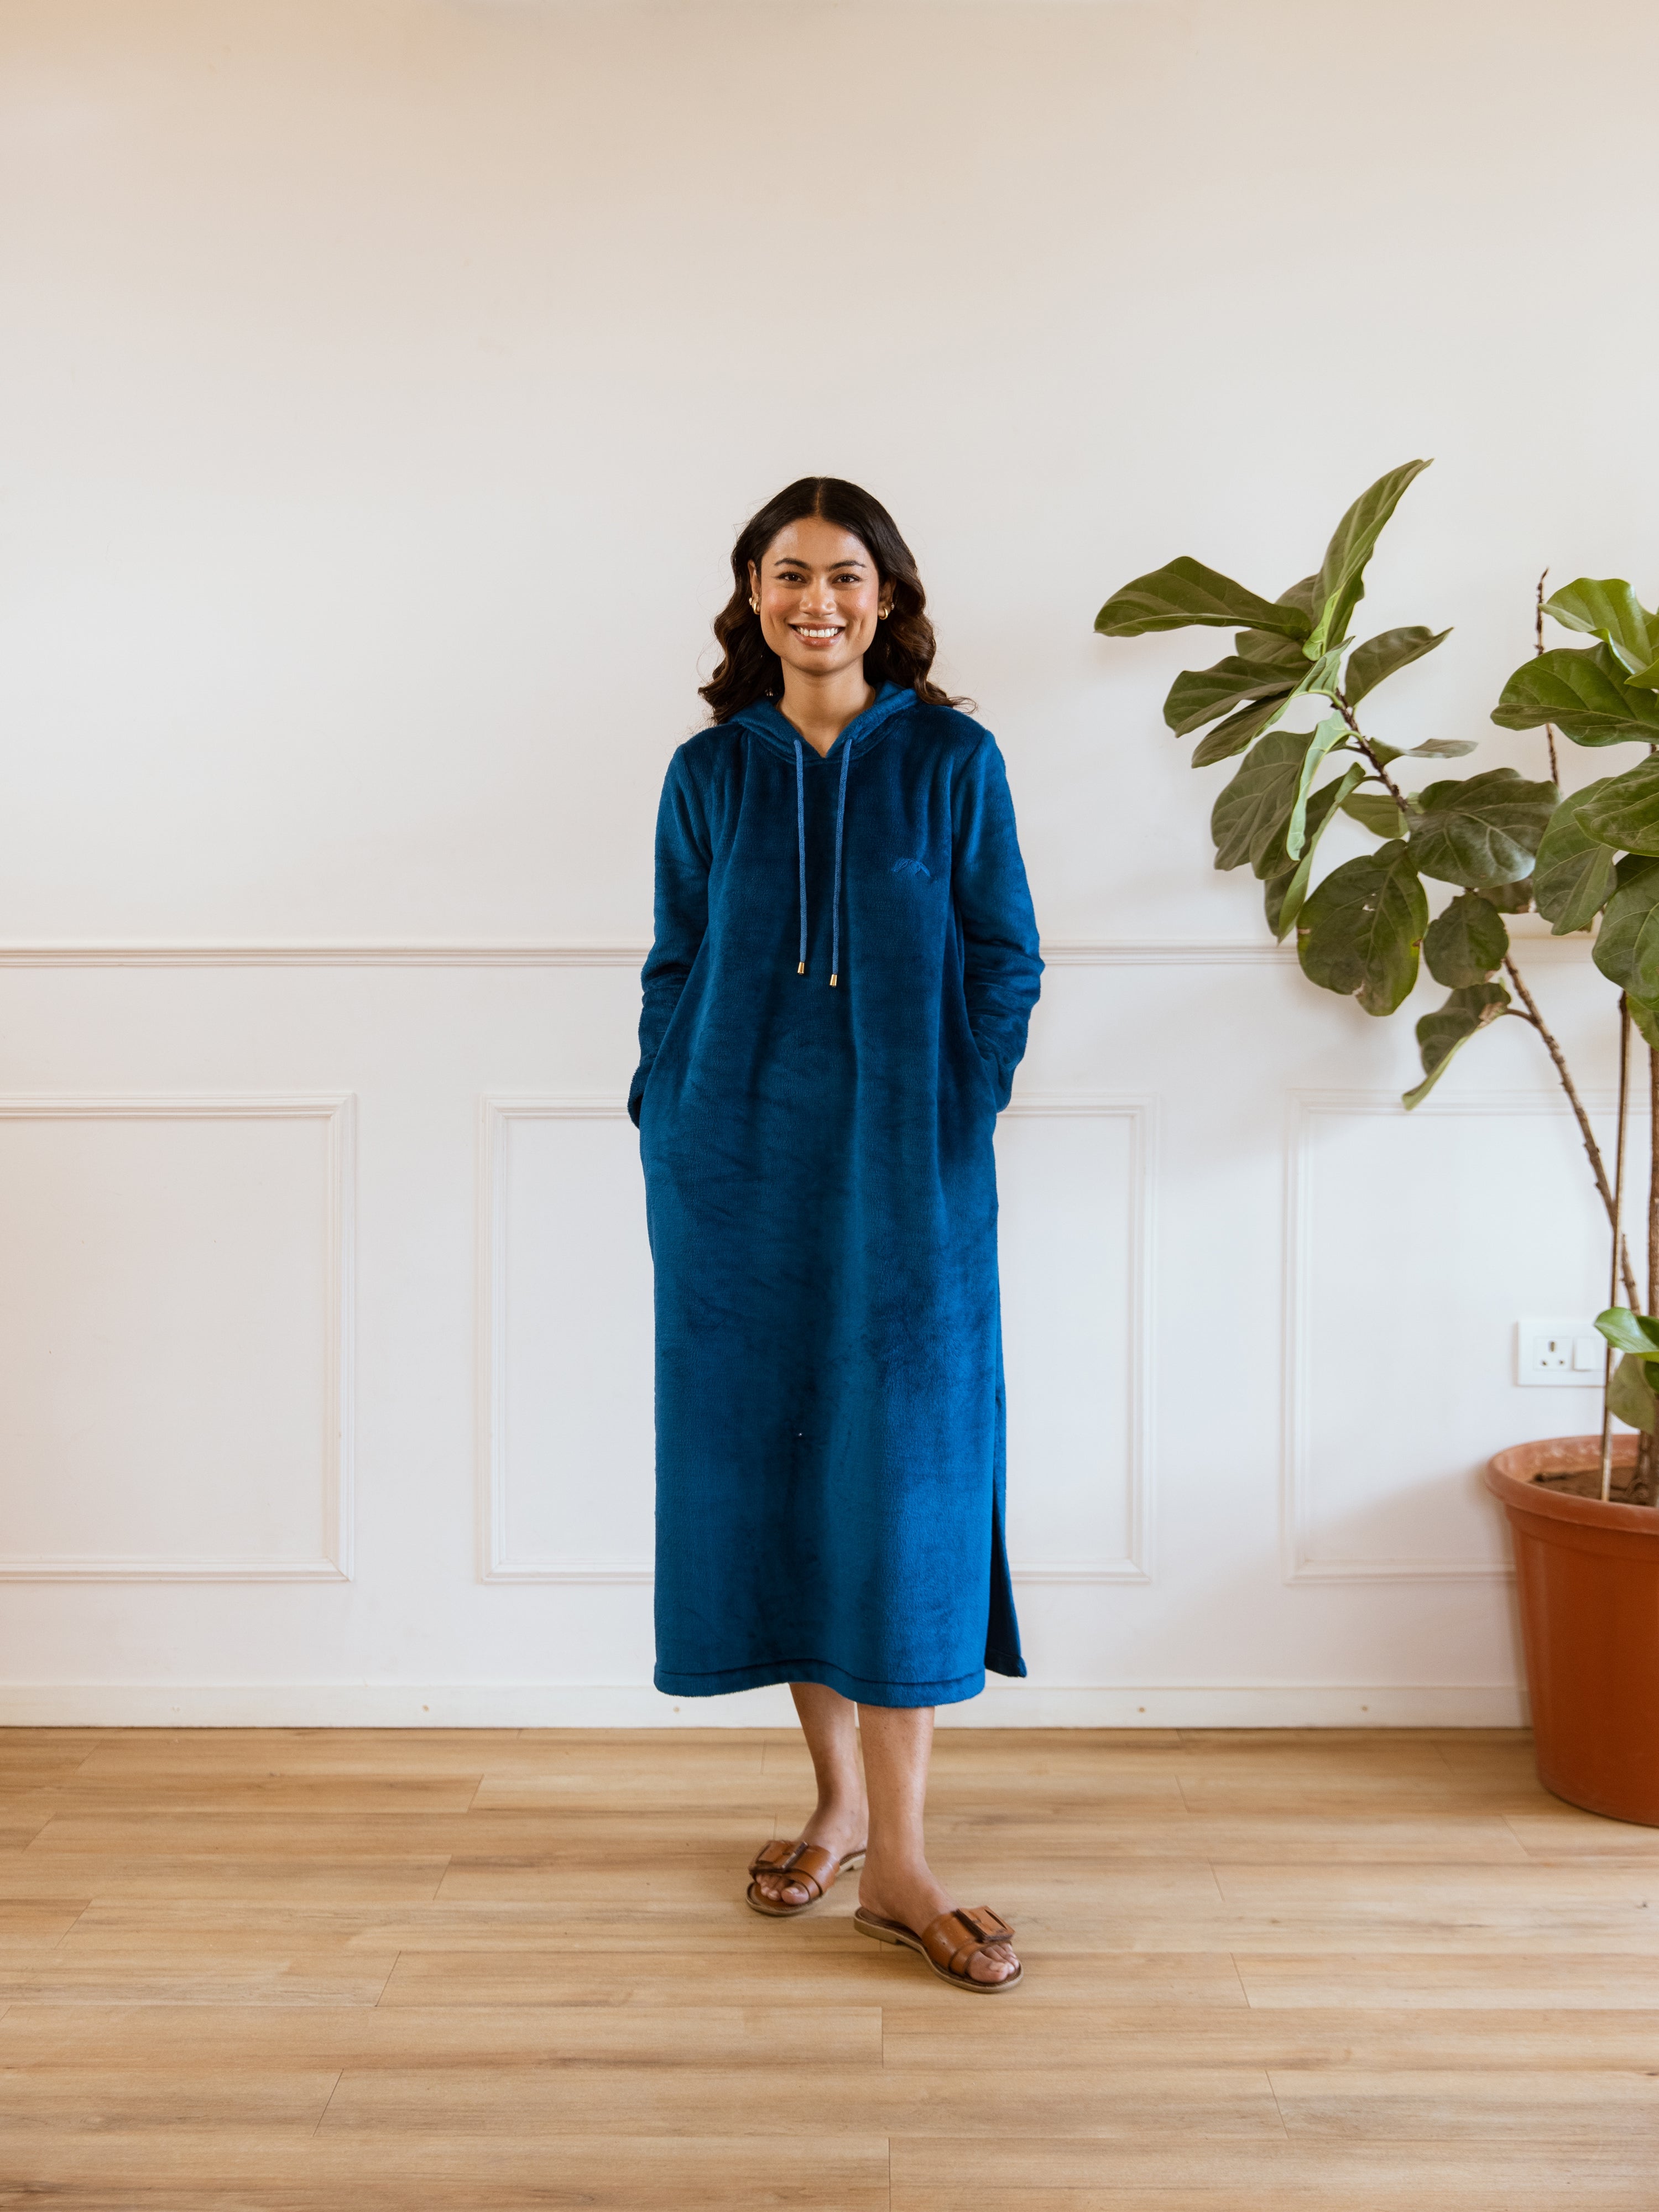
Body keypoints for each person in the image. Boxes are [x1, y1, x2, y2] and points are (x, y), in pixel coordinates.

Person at [629, 477, 1042, 1993]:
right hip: (731, 1173)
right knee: (783, 1462)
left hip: (907, 1171)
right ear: (753, 593)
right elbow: (674, 959)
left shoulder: (951, 759)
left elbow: (1006, 954)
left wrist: (961, 1094)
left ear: (888, 596)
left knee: (903, 1473)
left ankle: (908, 1859)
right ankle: (838, 1807)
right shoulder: (708, 771)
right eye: (791, 574)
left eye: (846, 574)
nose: (818, 600)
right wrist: (664, 1101)